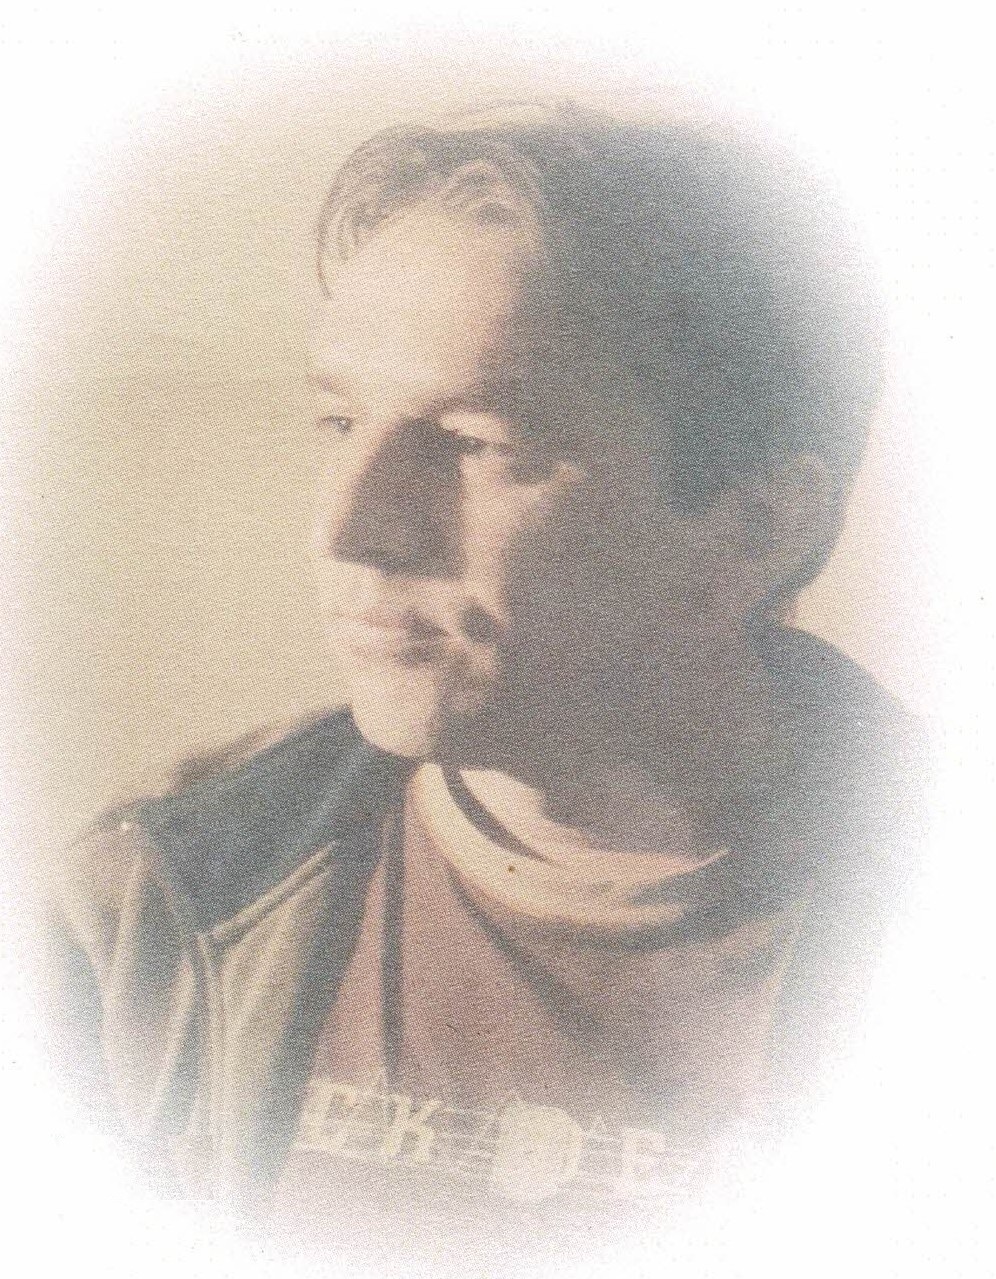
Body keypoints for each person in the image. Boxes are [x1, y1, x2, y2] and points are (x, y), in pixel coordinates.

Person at [45, 100, 920, 1265]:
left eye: (477, 444)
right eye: (339, 421)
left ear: (753, 527)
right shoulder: (157, 907)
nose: (350, 527)